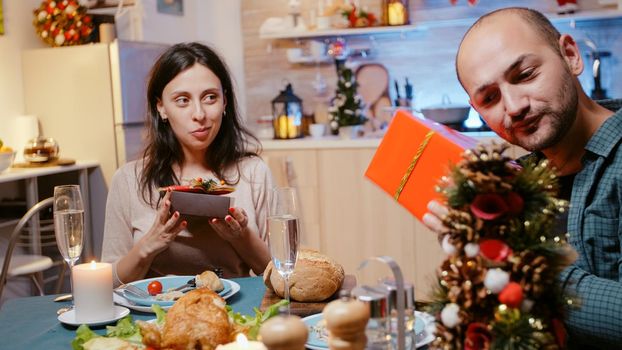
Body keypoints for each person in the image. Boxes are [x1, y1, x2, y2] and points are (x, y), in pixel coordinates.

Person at [422, 7, 622, 348]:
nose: (513, 107)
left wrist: (514, 262)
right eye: (490, 98)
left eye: (526, 74)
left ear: (570, 56)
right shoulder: (516, 182)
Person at [101, 42, 273, 286]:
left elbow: (280, 275)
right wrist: (148, 245)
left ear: (225, 102)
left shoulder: (254, 173)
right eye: (182, 100)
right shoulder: (128, 180)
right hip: (156, 318)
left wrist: (241, 237)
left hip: (235, 317)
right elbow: (109, 283)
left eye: (210, 97)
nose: (199, 114)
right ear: (161, 107)